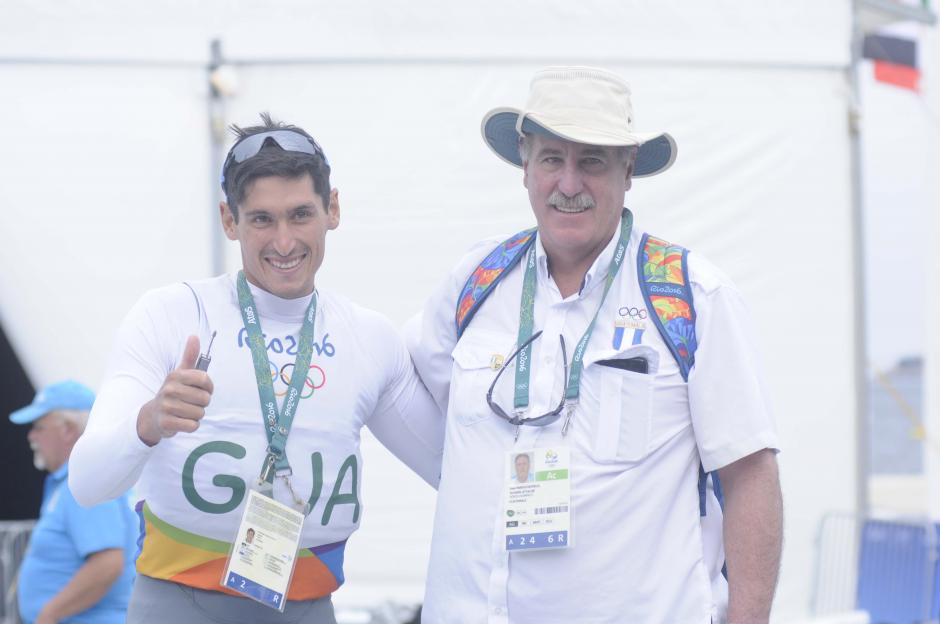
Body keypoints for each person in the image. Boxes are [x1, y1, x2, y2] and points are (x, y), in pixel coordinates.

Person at [408, 67, 782, 623]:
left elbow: (750, 475)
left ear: (628, 171)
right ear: (525, 165)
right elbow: (411, 400)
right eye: (552, 159)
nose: (569, 183)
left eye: (592, 162)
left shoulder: (691, 296)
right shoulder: (475, 281)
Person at [69, 114, 444, 624]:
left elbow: (454, 469)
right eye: (262, 219)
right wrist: (148, 423)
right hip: (178, 604)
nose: (284, 242)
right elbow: (88, 483)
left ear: (333, 209)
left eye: (300, 214)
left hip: (309, 607)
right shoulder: (171, 315)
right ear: (230, 220)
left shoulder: (370, 336)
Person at [10, 380, 137, 624]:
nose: (31, 436)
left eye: (39, 426)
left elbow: (107, 563)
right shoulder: (79, 481)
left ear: (67, 430)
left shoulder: (85, 484)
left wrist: (48, 615)